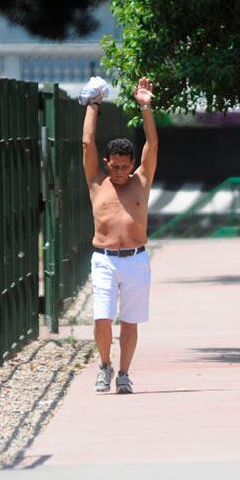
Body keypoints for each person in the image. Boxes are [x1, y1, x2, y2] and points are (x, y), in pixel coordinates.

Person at [82, 77, 158, 394]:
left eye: (125, 166)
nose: (120, 172)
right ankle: (104, 365)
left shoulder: (141, 180)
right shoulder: (98, 183)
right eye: (115, 166)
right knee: (102, 317)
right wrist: (93, 105)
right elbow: (87, 143)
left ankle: (124, 373)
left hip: (136, 260)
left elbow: (152, 145)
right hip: (104, 259)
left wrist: (145, 107)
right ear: (106, 164)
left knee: (130, 321)